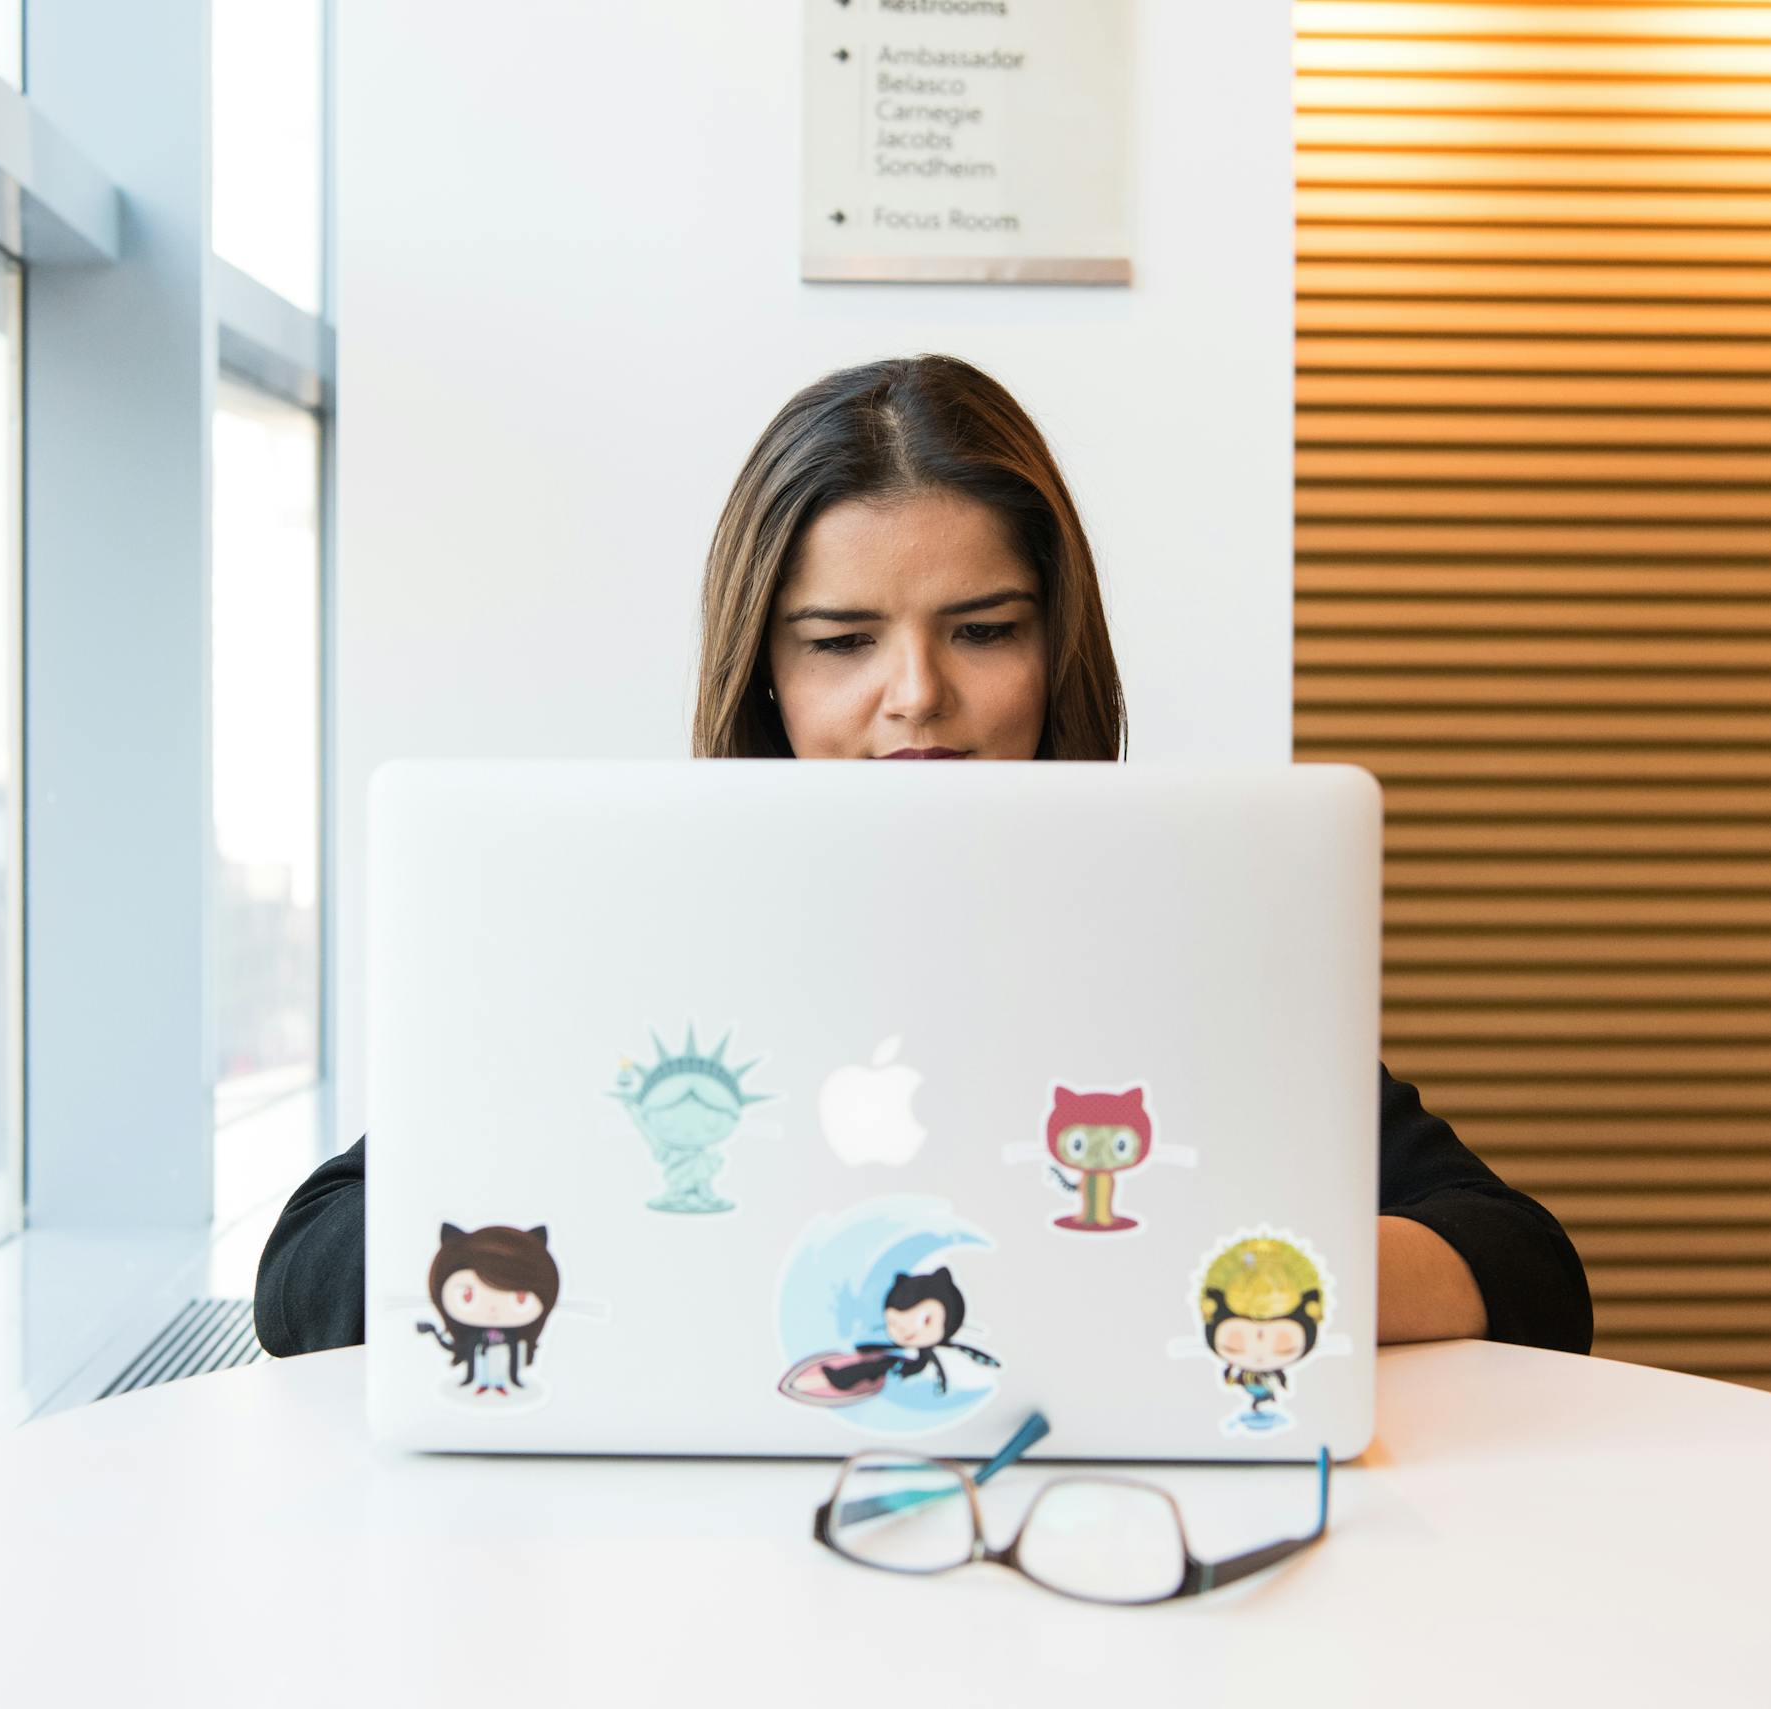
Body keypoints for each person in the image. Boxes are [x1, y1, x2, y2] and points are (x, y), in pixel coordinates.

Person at [256, 354, 1592, 1359]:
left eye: (984, 628)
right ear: (765, 672)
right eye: (841, 641)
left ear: (1055, 647)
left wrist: (1172, 1275)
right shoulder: (653, 918)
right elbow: (309, 1263)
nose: (916, 696)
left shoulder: (1172, 917)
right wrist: (669, 1264)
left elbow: (1526, 1268)